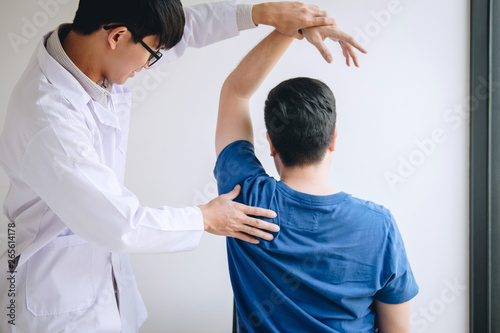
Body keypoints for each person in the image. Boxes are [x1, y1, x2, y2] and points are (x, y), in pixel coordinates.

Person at [0, 0, 352, 332]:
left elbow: (226, 80)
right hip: (54, 303)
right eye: (153, 54)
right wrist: (205, 217)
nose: (153, 63)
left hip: (96, 288)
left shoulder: (94, 52)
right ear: (117, 36)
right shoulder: (48, 118)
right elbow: (120, 224)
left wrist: (270, 17)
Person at [213, 27, 419, 332]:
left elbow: (236, 91)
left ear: (270, 143)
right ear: (333, 139)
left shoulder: (243, 202)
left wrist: (290, 27)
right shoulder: (379, 226)